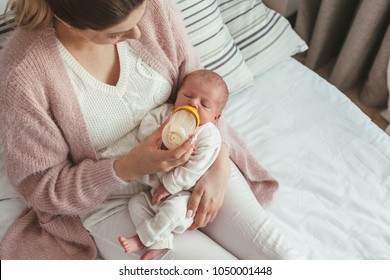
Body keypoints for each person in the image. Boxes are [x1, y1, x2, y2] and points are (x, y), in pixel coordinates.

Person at [0, 0, 301, 260]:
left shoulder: (152, 8)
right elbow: (42, 187)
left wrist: (218, 162)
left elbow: (201, 89)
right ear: (69, 22)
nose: (138, 34)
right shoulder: (24, 75)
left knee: (282, 257)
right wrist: (126, 168)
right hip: (112, 201)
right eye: (116, 33)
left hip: (196, 162)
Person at [118, 69, 229, 260]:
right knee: (135, 204)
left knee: (175, 210)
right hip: (153, 190)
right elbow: (146, 130)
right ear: (177, 95)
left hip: (186, 194)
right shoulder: (164, 114)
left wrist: (169, 187)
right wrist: (159, 138)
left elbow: (194, 169)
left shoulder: (208, 135)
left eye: (204, 104)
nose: (193, 103)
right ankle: (161, 243)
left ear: (216, 118)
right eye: (187, 95)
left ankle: (144, 238)